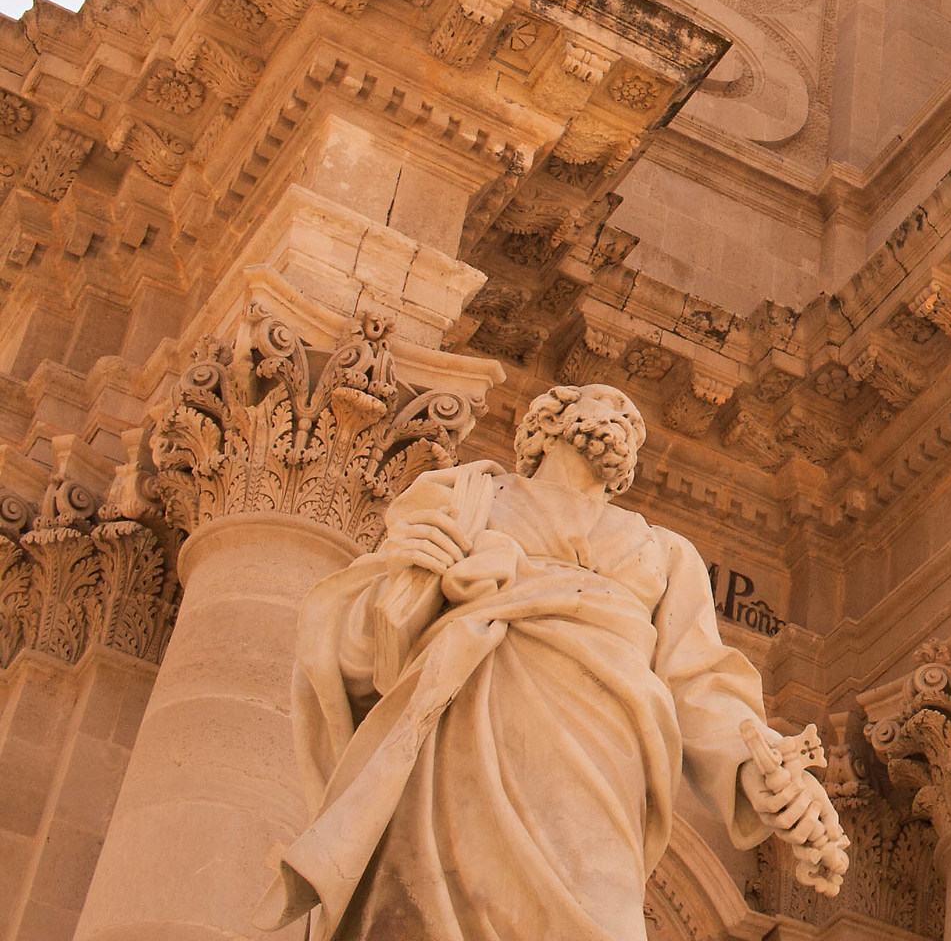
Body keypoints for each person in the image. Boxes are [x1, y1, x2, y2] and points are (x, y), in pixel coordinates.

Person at [254, 384, 845, 940]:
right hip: (465, 732)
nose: (619, 411)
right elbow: (359, 648)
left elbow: (699, 682)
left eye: (629, 416)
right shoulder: (469, 498)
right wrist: (405, 583)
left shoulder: (664, 551)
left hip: (601, 758)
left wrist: (756, 772)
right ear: (544, 427)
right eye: (599, 401)